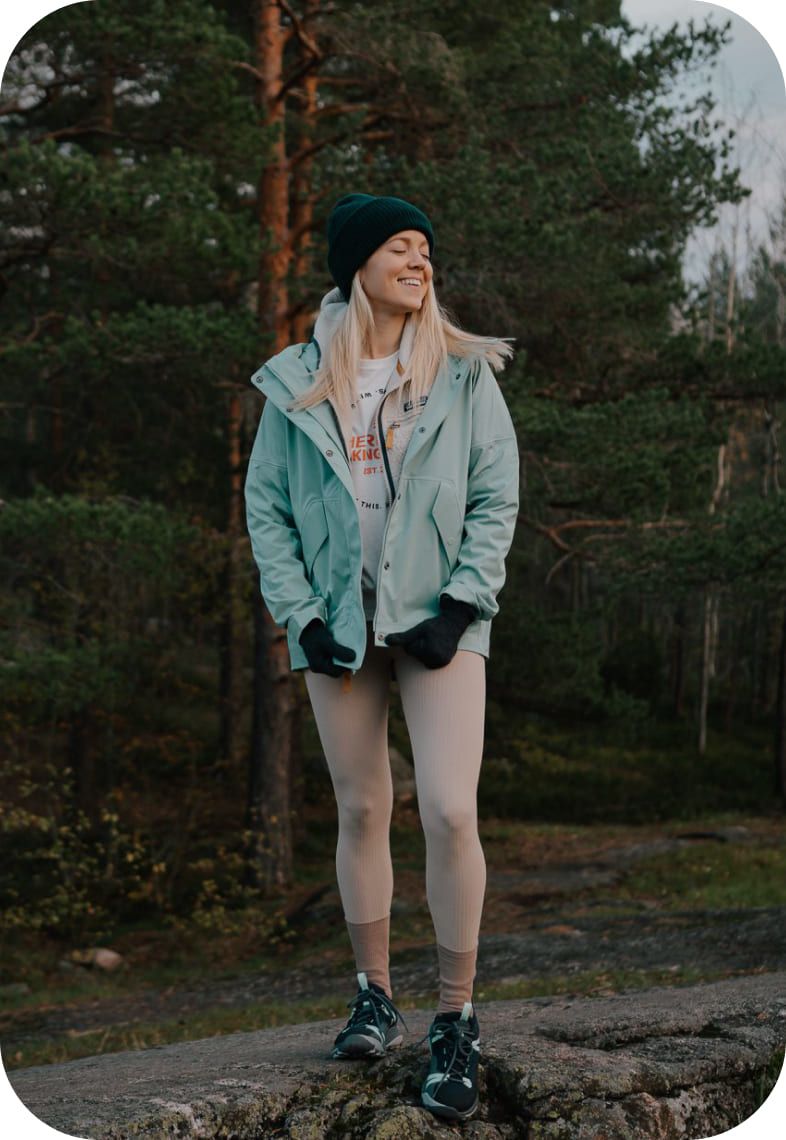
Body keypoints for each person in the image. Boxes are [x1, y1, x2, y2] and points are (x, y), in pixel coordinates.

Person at [244, 192, 519, 1122]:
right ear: (356, 265)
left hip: (441, 622)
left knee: (449, 807)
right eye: (399, 246)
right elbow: (267, 512)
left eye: (425, 249)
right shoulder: (296, 381)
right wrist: (302, 618)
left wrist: (462, 603)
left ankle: (456, 1017)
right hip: (339, 625)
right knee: (362, 806)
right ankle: (374, 996)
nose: (419, 261)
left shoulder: (463, 374)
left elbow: (496, 497)